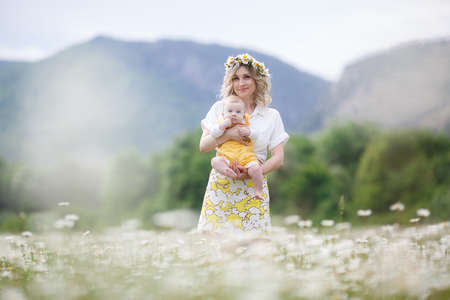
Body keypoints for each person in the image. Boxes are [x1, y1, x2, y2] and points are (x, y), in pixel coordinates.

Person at [197, 53, 289, 234]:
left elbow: (278, 159)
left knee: (254, 249)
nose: (241, 83)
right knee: (213, 248)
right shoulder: (219, 109)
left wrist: (250, 174)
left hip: (253, 187)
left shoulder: (271, 116)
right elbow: (203, 146)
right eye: (236, 78)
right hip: (221, 185)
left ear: (257, 80)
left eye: (246, 77)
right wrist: (229, 134)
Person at [210, 95, 264, 200]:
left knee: (256, 168)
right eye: (230, 111)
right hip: (227, 156)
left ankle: (258, 190)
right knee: (215, 161)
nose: (233, 114)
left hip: (245, 157)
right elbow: (214, 134)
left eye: (238, 112)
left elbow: (256, 135)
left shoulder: (246, 123)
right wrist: (222, 126)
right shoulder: (221, 123)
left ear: (243, 115)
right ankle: (226, 170)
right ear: (223, 114)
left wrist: (249, 132)